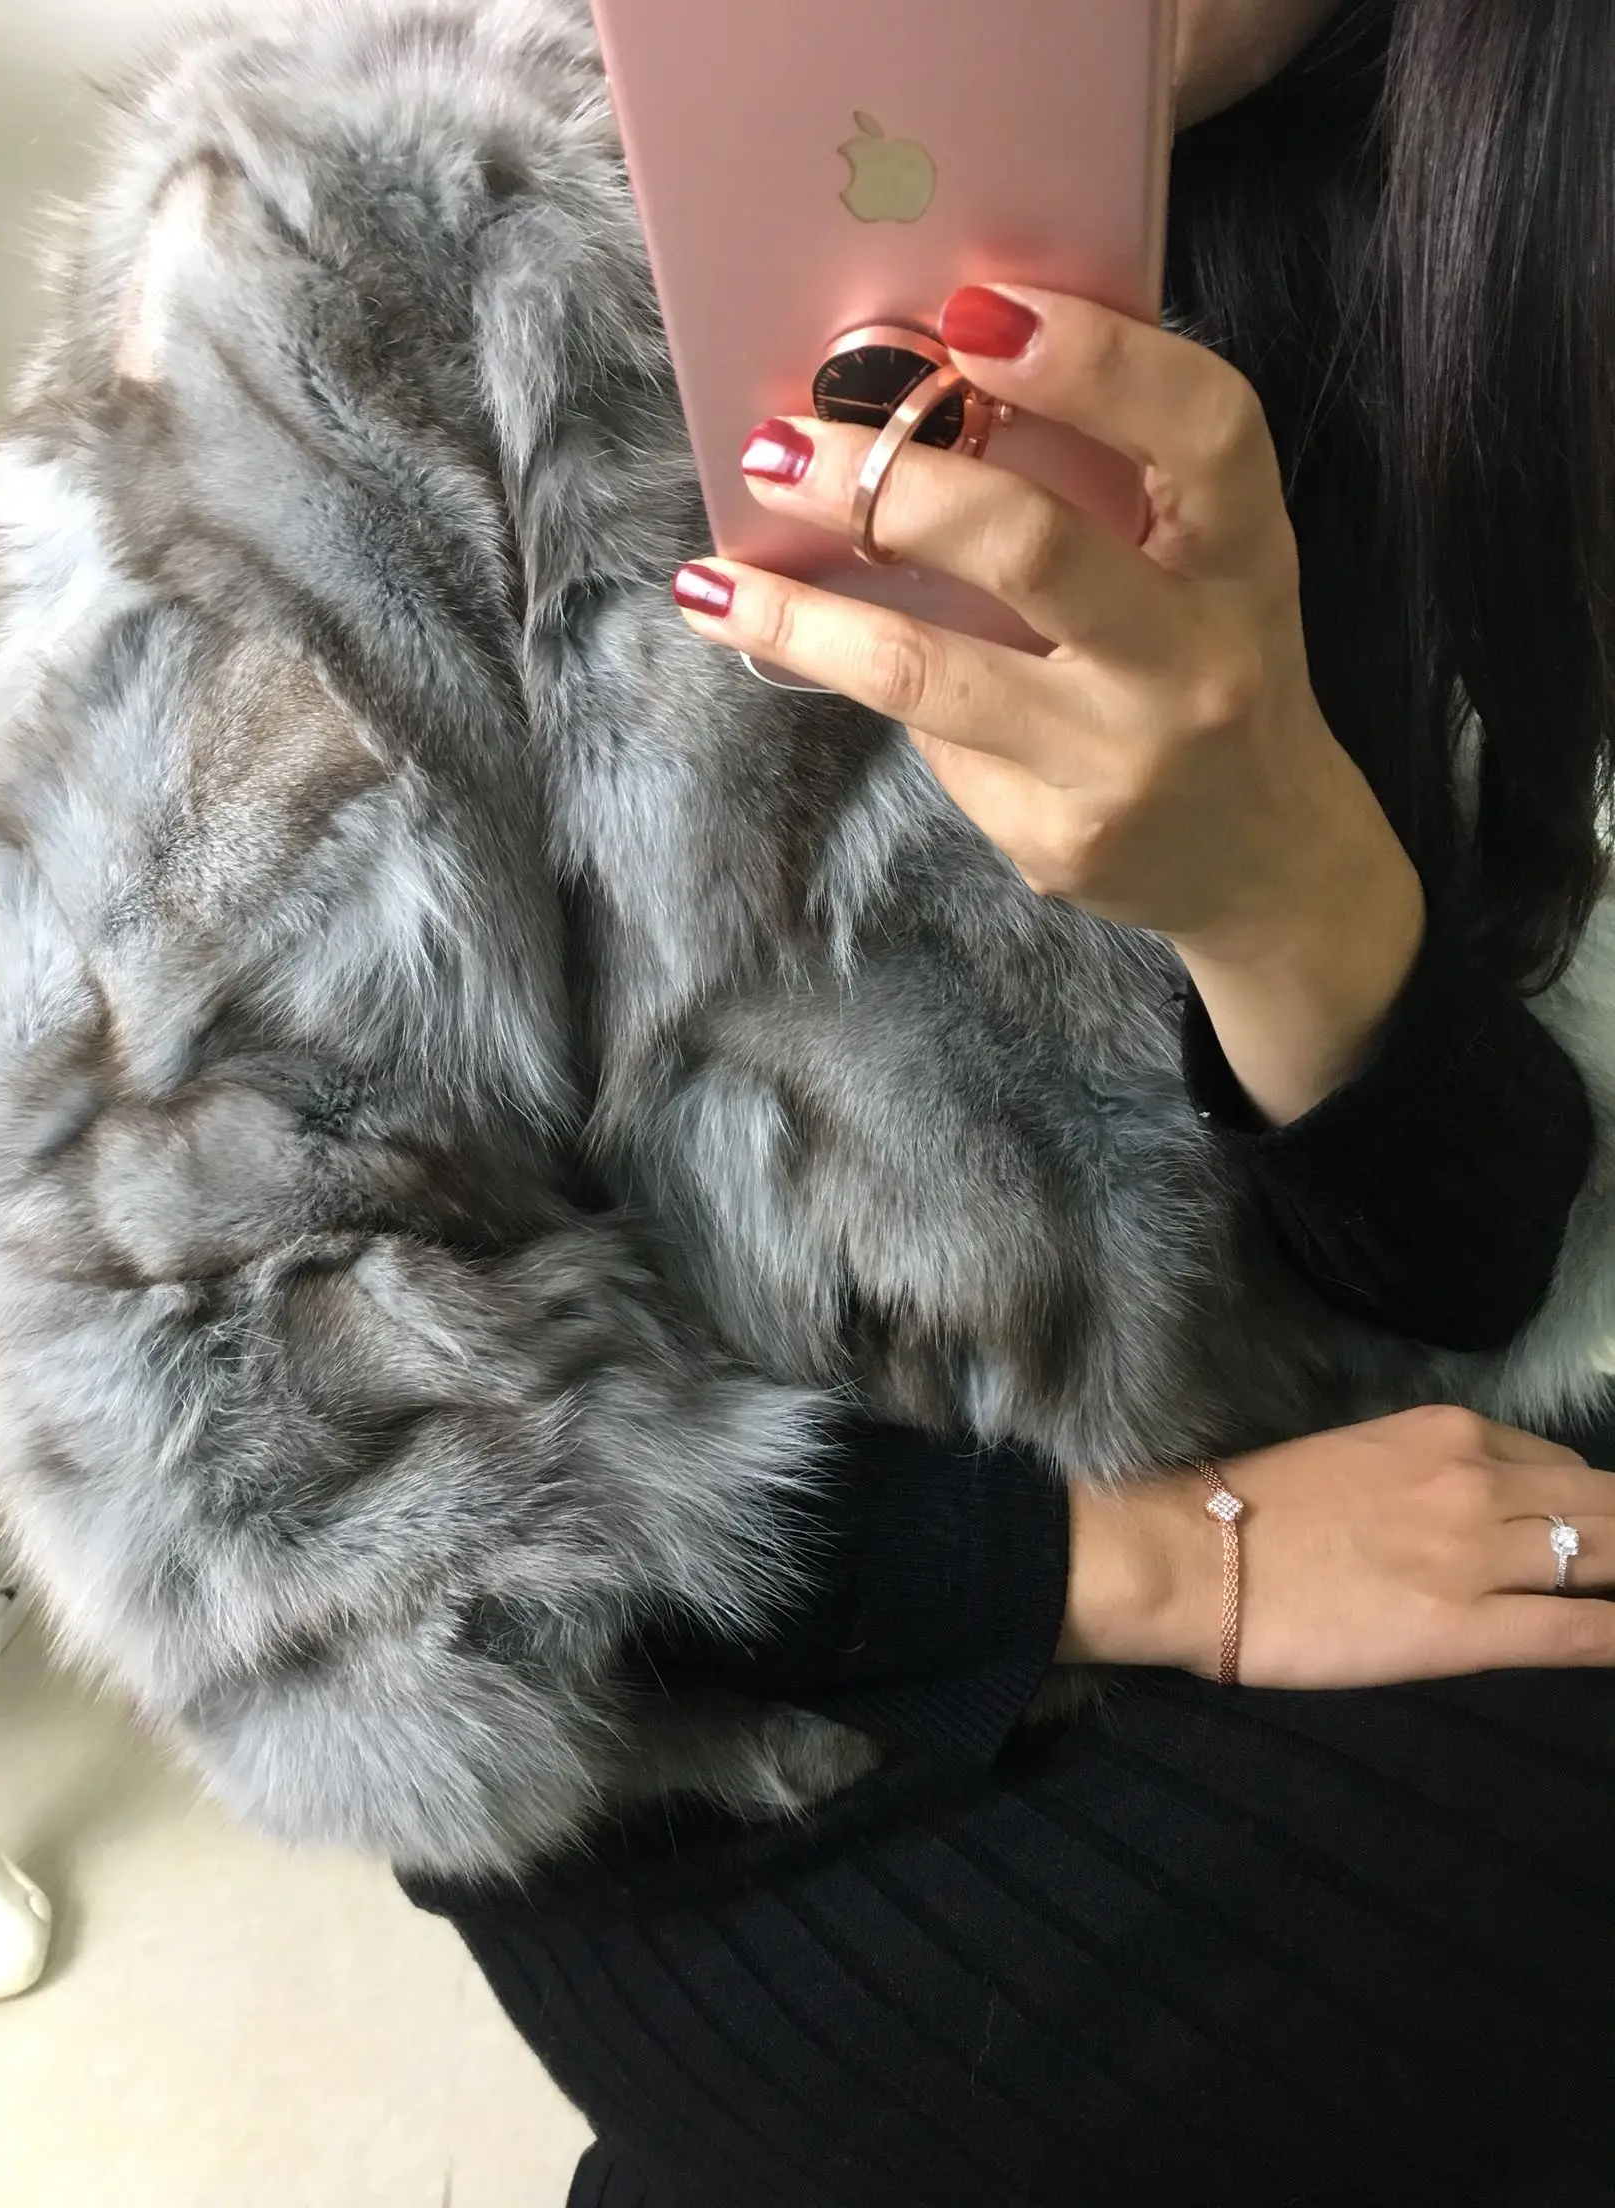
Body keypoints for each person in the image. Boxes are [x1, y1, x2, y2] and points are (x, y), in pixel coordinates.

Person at [398, 3, 1615, 2202]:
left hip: (1350, 1477)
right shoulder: (377, 225)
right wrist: (1144, 1565)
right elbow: (240, 1435)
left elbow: (1484, 1280)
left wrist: (1288, 889)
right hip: (724, 1714)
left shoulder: (1477, 223)